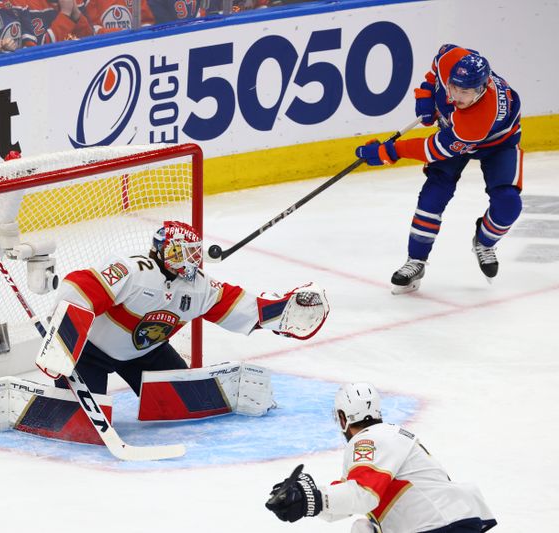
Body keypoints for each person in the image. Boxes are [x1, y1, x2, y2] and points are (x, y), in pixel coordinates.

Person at [34, 220, 330, 396]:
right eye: (184, 253)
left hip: (145, 355)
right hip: (90, 355)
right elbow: (81, 288)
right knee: (76, 425)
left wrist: (278, 312)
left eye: (194, 254)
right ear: (166, 250)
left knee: (185, 401)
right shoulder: (132, 269)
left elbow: (235, 305)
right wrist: (61, 339)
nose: (192, 260)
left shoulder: (198, 286)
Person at [355, 44, 522, 294]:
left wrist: (388, 152)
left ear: (482, 88)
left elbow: (431, 149)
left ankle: (485, 242)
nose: (455, 95)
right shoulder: (452, 61)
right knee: (433, 195)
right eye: (453, 86)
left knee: (509, 205)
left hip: (498, 142)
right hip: (453, 133)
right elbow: (437, 65)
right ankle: (416, 261)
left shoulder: (477, 120)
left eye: (465, 91)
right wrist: (425, 94)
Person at [265, 382, 498, 532]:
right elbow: (355, 497)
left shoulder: (370, 439)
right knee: (363, 528)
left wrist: (311, 497)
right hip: (448, 522)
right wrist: (311, 502)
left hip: (440, 527)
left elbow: (363, 495)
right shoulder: (388, 437)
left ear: (343, 418)